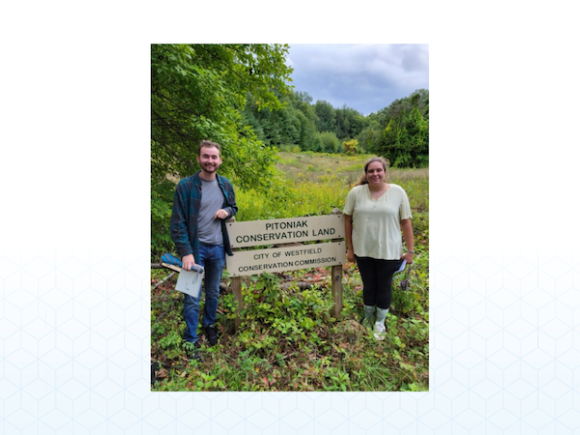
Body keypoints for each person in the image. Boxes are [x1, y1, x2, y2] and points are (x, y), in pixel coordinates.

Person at [170, 140, 238, 361]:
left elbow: (234, 207)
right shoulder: (185, 186)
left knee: (213, 292)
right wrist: (186, 252)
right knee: (191, 295)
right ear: (199, 158)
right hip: (195, 249)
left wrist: (226, 211)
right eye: (206, 156)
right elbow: (177, 224)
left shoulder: (226, 184)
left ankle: (209, 325)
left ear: (220, 160)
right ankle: (190, 340)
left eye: (214, 157)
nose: (210, 161)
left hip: (218, 248)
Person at [343, 157, 414, 340]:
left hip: (388, 250)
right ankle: (367, 318)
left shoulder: (398, 192)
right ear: (366, 174)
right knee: (369, 285)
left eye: (378, 170)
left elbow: (405, 221)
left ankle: (380, 322)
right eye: (371, 171)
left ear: (385, 172)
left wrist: (410, 251)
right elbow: (347, 219)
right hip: (363, 248)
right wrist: (350, 248)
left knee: (384, 287)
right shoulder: (356, 193)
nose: (375, 174)